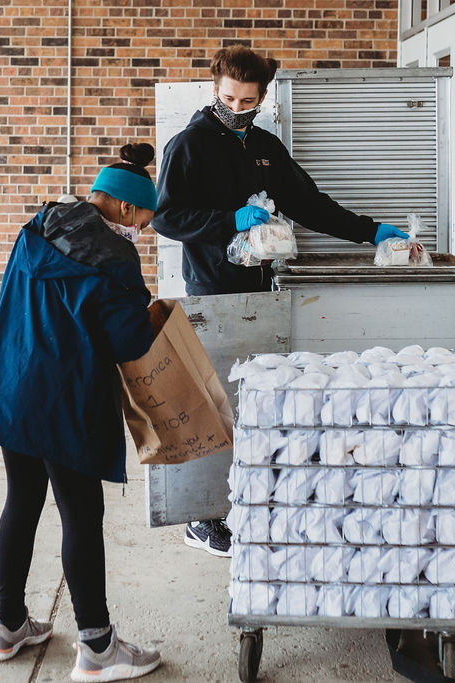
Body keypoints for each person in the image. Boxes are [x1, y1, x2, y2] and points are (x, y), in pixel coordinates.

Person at [151, 45, 410, 556]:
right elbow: (166, 218)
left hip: (262, 290)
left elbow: (309, 204)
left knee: (258, 402)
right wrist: (228, 220)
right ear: (214, 89)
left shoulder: (265, 146)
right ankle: (201, 517)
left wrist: (371, 231)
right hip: (213, 290)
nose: (236, 107)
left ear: (262, 97)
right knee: (215, 403)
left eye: (248, 100)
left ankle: (247, 498)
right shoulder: (190, 145)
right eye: (228, 97)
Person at [0, 143, 163, 682]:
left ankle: (8, 628)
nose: (143, 230)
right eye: (144, 219)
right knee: (80, 513)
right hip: (65, 400)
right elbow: (128, 343)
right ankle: (97, 647)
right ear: (126, 209)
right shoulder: (118, 258)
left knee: (22, 500)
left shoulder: (42, 222)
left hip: (13, 384)